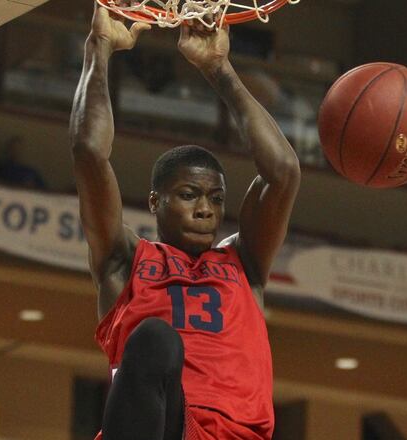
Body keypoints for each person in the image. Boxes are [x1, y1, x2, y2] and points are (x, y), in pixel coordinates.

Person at [69, 5, 300, 440]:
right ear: (155, 202)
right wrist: (98, 48)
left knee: (158, 338)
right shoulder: (124, 261)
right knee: (156, 339)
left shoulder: (243, 261)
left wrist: (220, 69)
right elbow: (88, 152)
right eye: (189, 195)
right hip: (161, 428)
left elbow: (284, 171)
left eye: (216, 198)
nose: (206, 210)